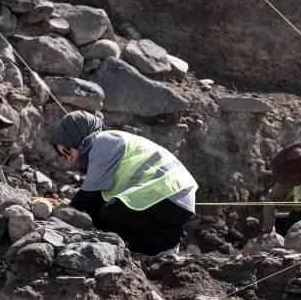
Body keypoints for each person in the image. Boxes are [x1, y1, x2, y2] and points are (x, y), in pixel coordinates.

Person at [50, 110, 197, 257]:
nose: (67, 159)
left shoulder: (103, 141)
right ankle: (160, 239)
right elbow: (93, 202)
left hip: (170, 194)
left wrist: (58, 218)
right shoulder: (107, 142)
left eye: (67, 150)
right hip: (172, 196)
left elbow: (87, 196)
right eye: (62, 155)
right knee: (100, 215)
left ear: (77, 137)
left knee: (107, 216)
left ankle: (169, 240)